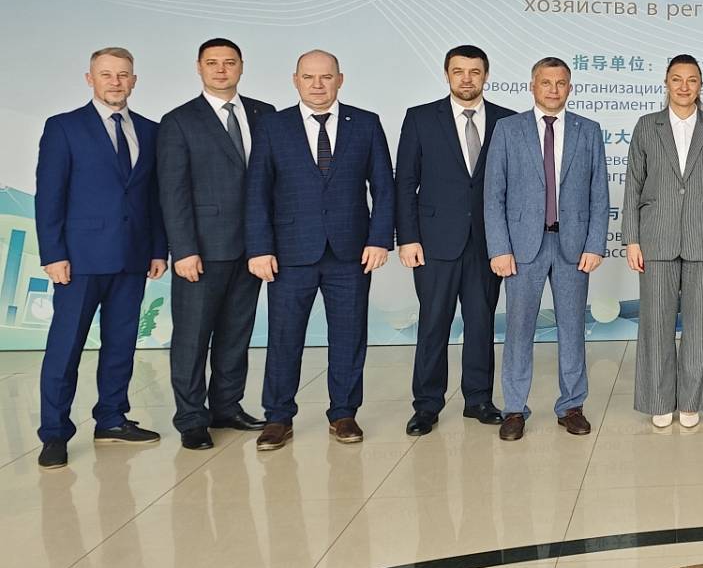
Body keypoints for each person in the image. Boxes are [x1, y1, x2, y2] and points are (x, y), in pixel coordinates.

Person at [246, 50, 394, 450]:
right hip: (289, 252)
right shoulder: (273, 126)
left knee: (349, 335)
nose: (317, 84)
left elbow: (384, 186)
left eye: (326, 77)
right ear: (295, 80)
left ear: (339, 79)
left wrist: (379, 239)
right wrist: (259, 248)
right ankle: (278, 417)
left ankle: (343, 413)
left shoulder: (365, 123)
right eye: (309, 77)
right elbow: (257, 190)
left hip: (351, 253)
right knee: (284, 337)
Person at [34, 47, 168, 469]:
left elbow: (154, 197)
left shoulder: (150, 130)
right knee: (65, 349)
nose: (115, 82)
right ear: (89, 79)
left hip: (132, 258)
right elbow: (49, 195)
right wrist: (54, 254)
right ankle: (54, 434)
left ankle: (111, 418)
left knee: (121, 345)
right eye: (106, 74)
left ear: (134, 80)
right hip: (80, 260)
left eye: (123, 74)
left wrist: (157, 249)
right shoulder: (64, 127)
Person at [156, 38, 274, 451]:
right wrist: (183, 249)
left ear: (241, 66)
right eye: (212, 63)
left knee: (236, 333)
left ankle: (227, 406)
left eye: (229, 62)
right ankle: (191, 417)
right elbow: (172, 191)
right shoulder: (179, 121)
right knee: (192, 337)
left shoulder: (265, 114)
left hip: (253, 248)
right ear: (199, 67)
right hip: (202, 250)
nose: (221, 69)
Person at [484, 57, 608, 442]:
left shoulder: (588, 130)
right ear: (532, 85)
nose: (553, 89)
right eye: (546, 82)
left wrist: (595, 244)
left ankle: (571, 406)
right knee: (519, 329)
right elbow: (494, 193)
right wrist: (499, 248)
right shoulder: (508, 129)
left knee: (572, 328)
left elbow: (599, 193)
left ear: (570, 87)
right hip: (523, 247)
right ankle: (514, 408)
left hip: (573, 246)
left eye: (561, 83)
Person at [394, 44, 513, 437]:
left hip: (487, 243)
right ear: (447, 74)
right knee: (433, 325)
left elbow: (515, 186)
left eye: (474, 71)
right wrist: (407, 238)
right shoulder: (420, 118)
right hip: (434, 242)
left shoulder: (507, 121)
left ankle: (478, 399)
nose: (466, 78)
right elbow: (404, 182)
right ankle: (427, 405)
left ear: (486, 75)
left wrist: (507, 242)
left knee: (481, 323)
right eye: (458, 71)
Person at [623, 54, 703, 429]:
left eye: (691, 80)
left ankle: (691, 400)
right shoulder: (646, 126)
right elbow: (633, 184)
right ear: (666, 83)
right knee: (656, 325)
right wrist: (632, 239)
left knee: (700, 325)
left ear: (700, 85)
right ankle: (658, 400)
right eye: (677, 79)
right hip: (657, 237)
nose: (684, 87)